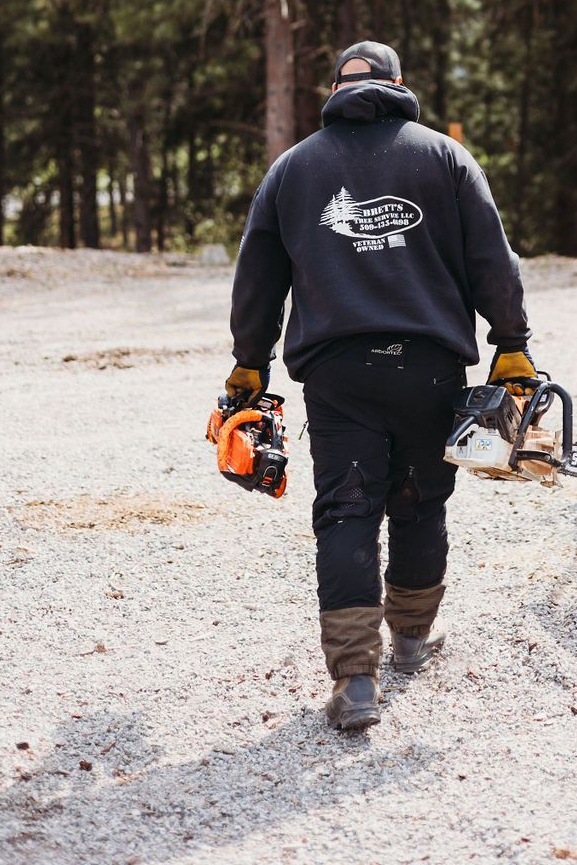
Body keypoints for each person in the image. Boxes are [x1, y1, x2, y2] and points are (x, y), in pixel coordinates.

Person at [226, 39, 534, 731]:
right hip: (429, 368)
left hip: (339, 375)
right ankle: (413, 643)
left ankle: (355, 682)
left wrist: (250, 363)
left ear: (334, 89)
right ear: (400, 84)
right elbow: (493, 257)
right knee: (421, 504)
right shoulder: (444, 157)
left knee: (347, 511)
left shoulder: (294, 168)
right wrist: (512, 344)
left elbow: (257, 281)